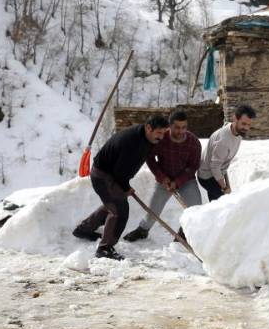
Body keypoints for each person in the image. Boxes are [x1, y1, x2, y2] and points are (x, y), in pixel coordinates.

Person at [72, 115, 170, 260]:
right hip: (105, 176)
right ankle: (105, 248)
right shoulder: (132, 143)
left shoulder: (144, 136)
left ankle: (84, 230)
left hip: (110, 174)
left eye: (163, 133)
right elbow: (120, 173)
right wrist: (126, 188)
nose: (161, 137)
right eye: (159, 133)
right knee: (119, 210)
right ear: (148, 128)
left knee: (112, 204)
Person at [123, 110, 202, 242]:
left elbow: (193, 166)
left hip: (185, 180)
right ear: (169, 126)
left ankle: (185, 233)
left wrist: (178, 181)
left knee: (196, 208)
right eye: (177, 127)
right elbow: (150, 158)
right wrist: (161, 177)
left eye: (184, 127)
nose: (181, 131)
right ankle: (142, 230)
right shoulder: (160, 138)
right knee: (153, 209)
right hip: (164, 179)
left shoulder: (193, 142)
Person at [197, 104, 255, 201]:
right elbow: (214, 167)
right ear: (235, 119)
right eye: (244, 124)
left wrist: (226, 183)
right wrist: (224, 188)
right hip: (207, 176)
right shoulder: (223, 141)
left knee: (216, 205)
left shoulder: (237, 131)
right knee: (224, 202)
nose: (246, 128)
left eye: (249, 125)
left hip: (217, 172)